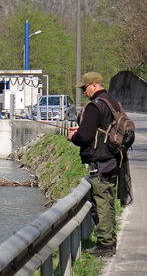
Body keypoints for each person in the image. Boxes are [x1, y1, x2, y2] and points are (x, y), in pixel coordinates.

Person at [68, 71, 120, 257]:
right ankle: (110, 240)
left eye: (85, 87)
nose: (83, 91)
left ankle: (105, 246)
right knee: (109, 201)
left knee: (101, 203)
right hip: (113, 160)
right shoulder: (113, 103)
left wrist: (74, 137)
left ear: (95, 85)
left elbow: (85, 136)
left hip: (100, 160)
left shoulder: (94, 106)